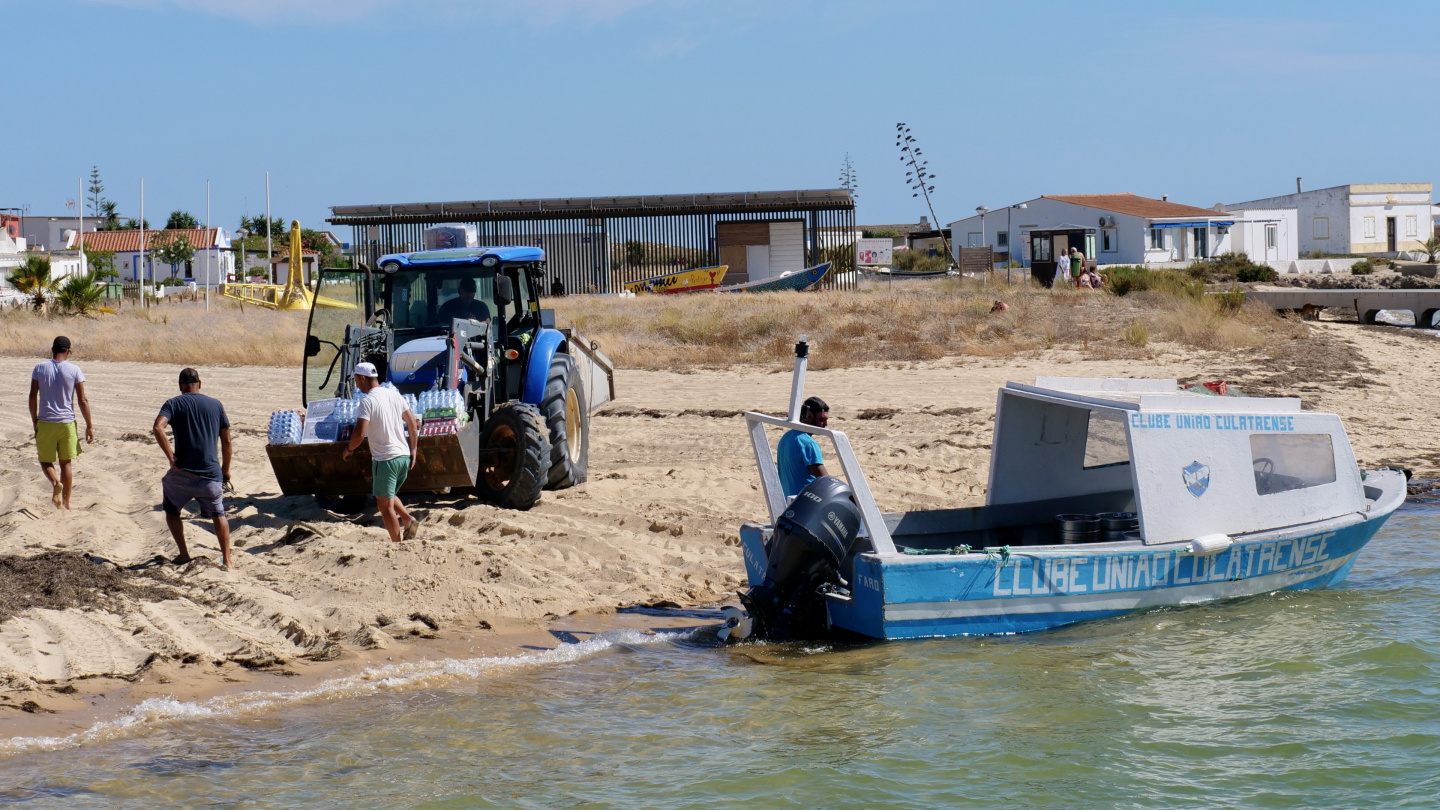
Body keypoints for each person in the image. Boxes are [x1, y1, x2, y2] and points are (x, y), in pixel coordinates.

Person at [152, 368, 233, 568]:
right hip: (211, 474)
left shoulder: (173, 403)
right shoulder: (216, 405)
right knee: (219, 514)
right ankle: (228, 560)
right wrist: (225, 470)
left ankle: (183, 553)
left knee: (171, 510)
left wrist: (171, 458)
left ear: (180, 386)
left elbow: (157, 427)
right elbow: (227, 441)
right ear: (200, 383)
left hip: (182, 474)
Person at [343, 362, 420, 542]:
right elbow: (412, 422)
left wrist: (349, 449)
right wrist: (414, 448)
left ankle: (397, 544)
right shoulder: (394, 395)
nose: (356, 385)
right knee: (387, 495)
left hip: (386, 459)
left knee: (384, 506)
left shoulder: (367, 401)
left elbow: (359, 433)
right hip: (403, 456)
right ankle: (408, 520)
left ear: (362, 378)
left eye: (356, 380)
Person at [30, 336, 94, 510]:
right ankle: (66, 503)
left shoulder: (40, 368)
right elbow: (82, 400)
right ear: (68, 351)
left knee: (45, 460)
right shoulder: (74, 370)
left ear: (52, 349)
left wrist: (34, 420)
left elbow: (32, 396)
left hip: (45, 421)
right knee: (66, 463)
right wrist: (89, 425)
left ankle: (55, 482)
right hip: (67, 423)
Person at [777, 396, 830, 498]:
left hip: (787, 502)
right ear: (810, 416)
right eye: (822, 419)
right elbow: (825, 482)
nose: (826, 424)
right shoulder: (808, 444)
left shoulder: (786, 437)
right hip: (804, 505)